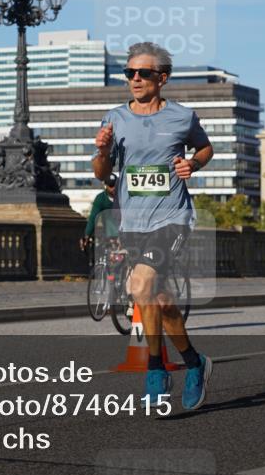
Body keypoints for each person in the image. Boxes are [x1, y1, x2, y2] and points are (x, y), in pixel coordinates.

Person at [92, 41, 215, 410]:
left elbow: (205, 148)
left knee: (141, 284)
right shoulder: (114, 119)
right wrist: (100, 152)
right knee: (159, 299)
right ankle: (196, 363)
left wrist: (193, 164)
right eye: (129, 73)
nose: (135, 79)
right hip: (133, 221)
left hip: (172, 217)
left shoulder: (182, 116)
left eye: (143, 73)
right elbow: (102, 173)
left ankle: (156, 369)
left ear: (162, 78)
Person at [80, 173, 119, 256]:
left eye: (116, 185)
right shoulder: (101, 198)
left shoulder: (122, 196)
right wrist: (87, 235)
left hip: (125, 232)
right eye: (111, 186)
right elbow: (93, 217)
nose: (114, 188)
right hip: (109, 235)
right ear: (105, 186)